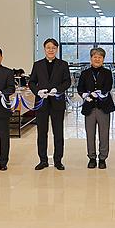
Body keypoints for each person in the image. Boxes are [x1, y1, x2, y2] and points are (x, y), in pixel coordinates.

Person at [29, 38, 72, 170]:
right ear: (44, 49)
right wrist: (38, 91)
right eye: (48, 47)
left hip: (57, 102)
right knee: (42, 132)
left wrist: (57, 89)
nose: (51, 50)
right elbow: (31, 82)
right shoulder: (38, 64)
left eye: (53, 47)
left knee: (58, 132)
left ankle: (58, 160)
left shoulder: (63, 64)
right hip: (42, 103)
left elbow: (67, 82)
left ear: (57, 49)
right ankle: (43, 160)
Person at [77, 47, 115, 169]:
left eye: (100, 57)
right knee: (90, 133)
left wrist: (99, 93)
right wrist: (84, 95)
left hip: (104, 107)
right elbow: (80, 88)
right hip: (89, 107)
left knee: (104, 134)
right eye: (95, 57)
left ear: (103, 59)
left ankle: (103, 158)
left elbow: (108, 87)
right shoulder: (85, 73)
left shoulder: (107, 73)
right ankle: (92, 157)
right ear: (91, 58)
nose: (97, 59)